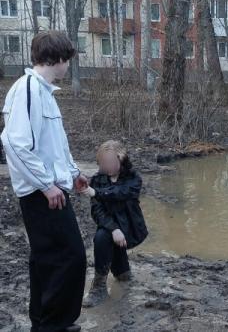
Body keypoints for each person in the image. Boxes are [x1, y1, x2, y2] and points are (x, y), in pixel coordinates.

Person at [1, 31, 87, 332]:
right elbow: (14, 143)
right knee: (71, 258)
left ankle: (44, 323)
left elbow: (55, 145)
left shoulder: (45, 93)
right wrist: (46, 185)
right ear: (58, 58)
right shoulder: (27, 88)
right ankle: (56, 324)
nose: (68, 66)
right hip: (42, 194)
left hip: (52, 188)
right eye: (68, 59)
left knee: (45, 260)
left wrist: (74, 173)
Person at [80, 140, 147, 307]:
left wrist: (96, 192)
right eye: (103, 162)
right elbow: (97, 211)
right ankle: (100, 286)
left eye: (110, 162)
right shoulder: (97, 179)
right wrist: (114, 228)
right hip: (111, 227)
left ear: (121, 159)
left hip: (130, 226)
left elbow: (121, 193)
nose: (106, 166)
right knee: (102, 236)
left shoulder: (133, 178)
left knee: (106, 236)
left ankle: (122, 272)